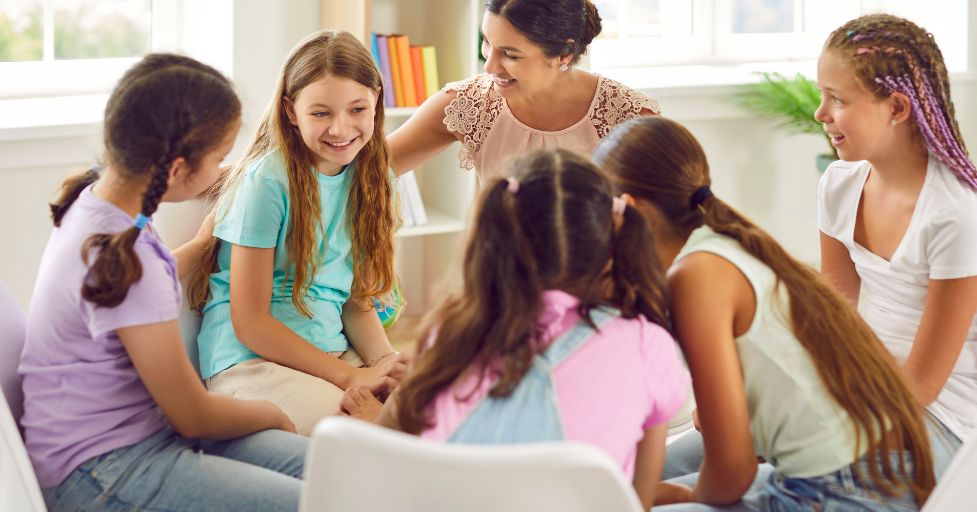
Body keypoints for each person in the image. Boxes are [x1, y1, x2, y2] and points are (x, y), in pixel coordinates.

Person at [594, 116, 934, 510]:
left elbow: (731, 473)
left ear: (629, 208)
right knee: (629, 488)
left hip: (846, 493)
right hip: (877, 473)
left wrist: (685, 498)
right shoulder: (725, 240)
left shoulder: (694, 278)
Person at [18, 54, 307, 512]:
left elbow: (126, 297)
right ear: (176, 170)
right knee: (314, 500)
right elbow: (194, 415)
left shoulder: (97, 203)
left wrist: (197, 246)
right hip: (101, 471)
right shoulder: (129, 258)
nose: (222, 170)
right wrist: (273, 414)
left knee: (328, 468)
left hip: (141, 432)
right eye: (218, 159)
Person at [340, 148, 689, 510]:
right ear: (610, 241)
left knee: (279, 449)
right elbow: (637, 500)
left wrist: (391, 413)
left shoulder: (449, 331)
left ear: (496, 239)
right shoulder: (649, 344)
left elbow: (392, 466)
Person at [185, 30, 407, 437]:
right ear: (291, 111)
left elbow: (356, 304)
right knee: (360, 442)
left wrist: (385, 364)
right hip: (250, 362)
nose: (341, 129)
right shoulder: (267, 182)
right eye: (320, 113)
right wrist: (348, 377)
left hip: (332, 355)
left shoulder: (376, 180)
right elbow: (250, 323)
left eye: (357, 108)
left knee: (423, 418)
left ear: (377, 98)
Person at [816, 13, 977, 479]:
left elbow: (923, 385)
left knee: (775, 477)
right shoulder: (839, 185)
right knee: (682, 457)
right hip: (866, 391)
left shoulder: (955, 215)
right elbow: (833, 320)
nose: (820, 113)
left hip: (942, 417)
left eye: (837, 99)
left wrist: (812, 431)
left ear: (897, 108)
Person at [387, 0, 660, 182]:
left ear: (564, 52)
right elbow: (367, 170)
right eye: (486, 42)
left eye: (511, 55)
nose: (489, 66)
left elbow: (672, 218)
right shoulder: (469, 104)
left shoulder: (629, 117)